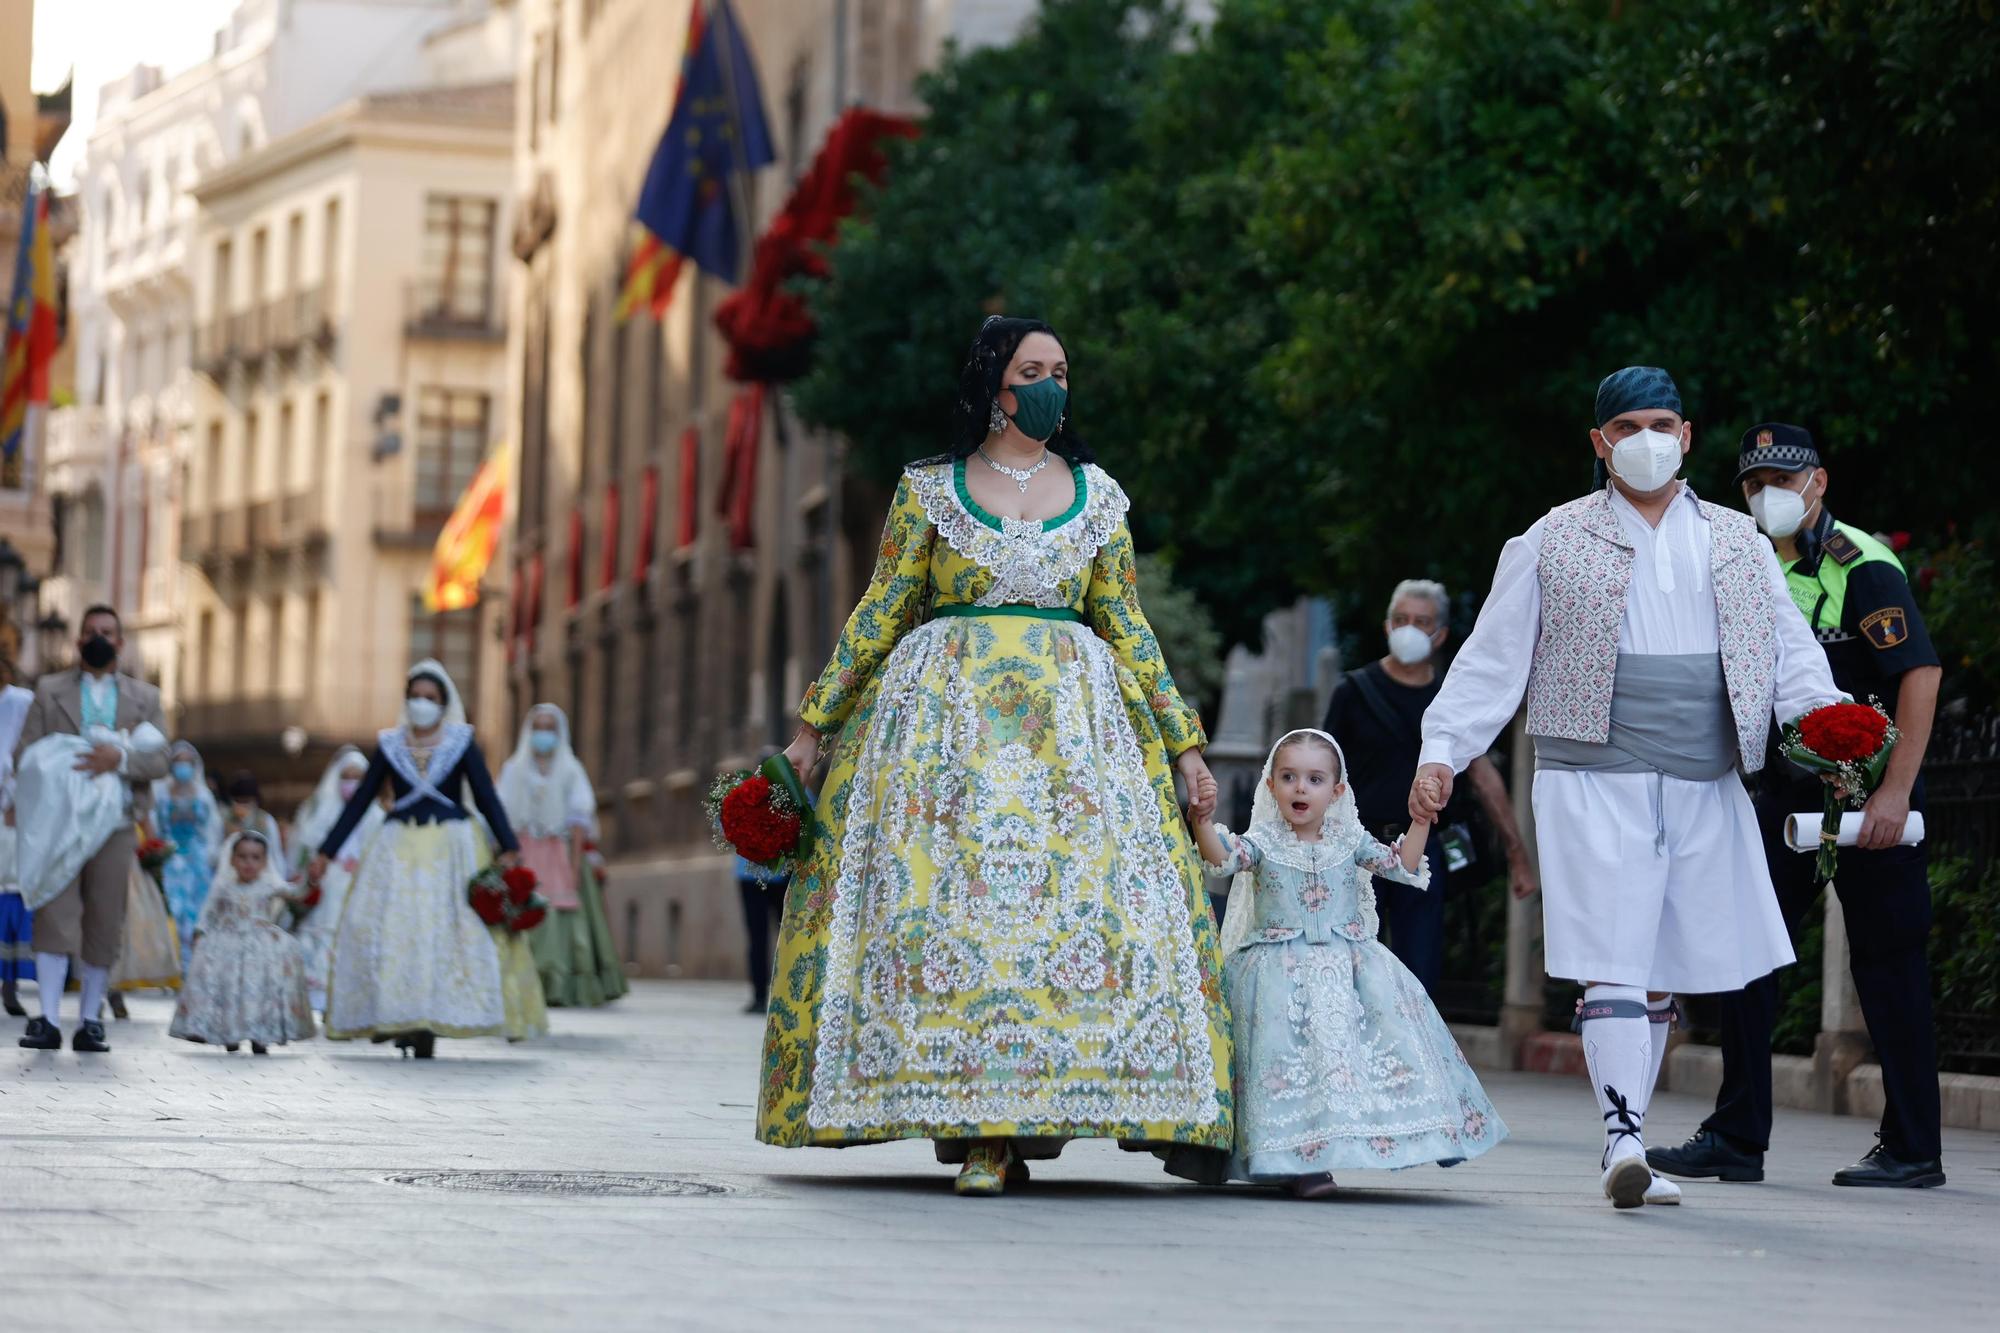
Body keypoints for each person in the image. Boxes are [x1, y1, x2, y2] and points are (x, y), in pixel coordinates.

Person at [758, 316, 1233, 1195]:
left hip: (1074, 749)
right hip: (942, 745)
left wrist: (1183, 745)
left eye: (1062, 368)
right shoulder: (930, 490)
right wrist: (812, 730)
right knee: (957, 917)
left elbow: (1125, 623)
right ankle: (979, 1129)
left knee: (1064, 920)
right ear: (994, 384)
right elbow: (882, 608)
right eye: (1033, 369)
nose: (1052, 384)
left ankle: (1034, 1117)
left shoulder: (1099, 496)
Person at [1410, 368, 1841, 1209]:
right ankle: (1622, 1139)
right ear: (1600, 441)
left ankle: (1632, 1128)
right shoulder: (1549, 538)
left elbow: (1789, 656)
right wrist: (1443, 749)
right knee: (1611, 951)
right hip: (1589, 772)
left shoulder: (1738, 541)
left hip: (1701, 773)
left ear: (1688, 435)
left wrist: (1834, 729)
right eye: (1630, 425)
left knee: (1657, 969)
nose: (1649, 439)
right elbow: (1493, 663)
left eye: (1664, 423)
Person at [1650, 424, 1946, 1189]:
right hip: (1789, 799)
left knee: (1890, 966)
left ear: (1818, 482)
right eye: (1752, 484)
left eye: (1781, 480)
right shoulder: (1752, 565)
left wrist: (1894, 792)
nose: (1765, 495)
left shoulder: (1863, 564)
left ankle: (1914, 1147)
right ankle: (1737, 1134)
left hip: (1871, 795)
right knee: (1746, 952)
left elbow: (1919, 675)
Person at [1178, 729, 1505, 1197]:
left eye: (1314, 779)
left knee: (1342, 1061)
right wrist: (1202, 820)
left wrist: (1420, 822)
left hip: (1349, 969)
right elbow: (1222, 861)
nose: (1300, 788)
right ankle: (1297, 1161)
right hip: (1275, 975)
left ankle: (1326, 1155)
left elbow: (1401, 866)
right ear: (1270, 786)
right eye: (1288, 777)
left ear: (1337, 791)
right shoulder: (1264, 840)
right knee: (1289, 1062)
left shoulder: (1350, 839)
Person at [1323, 579, 1540, 992]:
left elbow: (1481, 773)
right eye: (1401, 619)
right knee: (1347, 971)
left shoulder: (1452, 697)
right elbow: (1322, 770)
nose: (1409, 628)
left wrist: (1517, 853)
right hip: (1355, 850)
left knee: (1418, 976)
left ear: (1439, 634)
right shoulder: (1352, 692)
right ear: (1387, 627)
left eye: (1421, 622)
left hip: (1425, 853)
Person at [307, 660, 520, 1058]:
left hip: (450, 849)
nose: (422, 704)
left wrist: (508, 845)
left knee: (444, 932)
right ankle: (400, 1013)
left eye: (430, 698)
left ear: (443, 703)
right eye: (415, 697)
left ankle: (430, 1019)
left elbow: (486, 796)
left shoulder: (461, 742)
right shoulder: (390, 744)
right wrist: (326, 853)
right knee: (395, 930)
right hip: (398, 849)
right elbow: (360, 804)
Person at [13, 606, 171, 1054]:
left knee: (105, 916)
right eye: (90, 632)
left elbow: (161, 758)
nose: (98, 638)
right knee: (53, 910)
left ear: (121, 642)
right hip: (58, 823)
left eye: (107, 632)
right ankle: (45, 1018)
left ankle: (89, 1019)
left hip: (117, 823)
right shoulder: (49, 689)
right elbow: (28, 750)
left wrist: (118, 759)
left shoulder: (146, 697)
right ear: (78, 640)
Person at [496, 704, 626, 1009]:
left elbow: (580, 818)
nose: (544, 734)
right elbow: (502, 816)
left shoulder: (570, 769)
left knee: (561, 915)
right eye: (538, 727)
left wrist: (575, 863)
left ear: (559, 733)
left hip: (559, 851)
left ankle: (559, 984)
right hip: (525, 850)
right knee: (523, 910)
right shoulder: (514, 770)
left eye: (549, 728)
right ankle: (521, 982)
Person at [168, 830, 315, 1054]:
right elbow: (208, 911)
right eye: (243, 857)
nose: (249, 863)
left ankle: (261, 1034)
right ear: (232, 859)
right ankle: (230, 1032)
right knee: (230, 988)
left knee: (261, 989)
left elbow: (296, 893)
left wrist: (310, 877)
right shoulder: (224, 887)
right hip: (228, 943)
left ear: (265, 861)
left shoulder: (269, 885)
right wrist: (200, 932)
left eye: (256, 857)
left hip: (261, 945)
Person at [287, 746, 382, 1014]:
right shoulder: (319, 811)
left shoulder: (375, 814)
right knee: (321, 936)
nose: (351, 784)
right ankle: (318, 998)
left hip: (359, 885)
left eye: (357, 778)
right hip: (327, 884)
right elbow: (304, 847)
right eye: (346, 777)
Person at [150, 740, 221, 969]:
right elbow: (153, 825)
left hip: (197, 864)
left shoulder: (203, 795)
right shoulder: (160, 794)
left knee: (197, 915)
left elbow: (212, 829)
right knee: (172, 912)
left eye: (187, 762)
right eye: (178, 762)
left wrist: (210, 855)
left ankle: (195, 966)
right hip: (170, 862)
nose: (182, 767)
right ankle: (172, 966)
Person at [0, 661, 35, 1017]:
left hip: (12, 818)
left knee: (11, 898)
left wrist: (16, 799)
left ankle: (9, 983)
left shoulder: (22, 702)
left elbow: (32, 755)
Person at [736, 853, 785, 1015]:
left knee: (784, 938)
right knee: (760, 939)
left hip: (777, 872)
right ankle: (762, 996)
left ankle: (764, 997)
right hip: (761, 873)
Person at [215, 772, 282, 868]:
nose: (242, 806)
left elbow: (275, 854)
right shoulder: (223, 819)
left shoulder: (266, 820)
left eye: (246, 801)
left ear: (255, 800)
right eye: (238, 801)